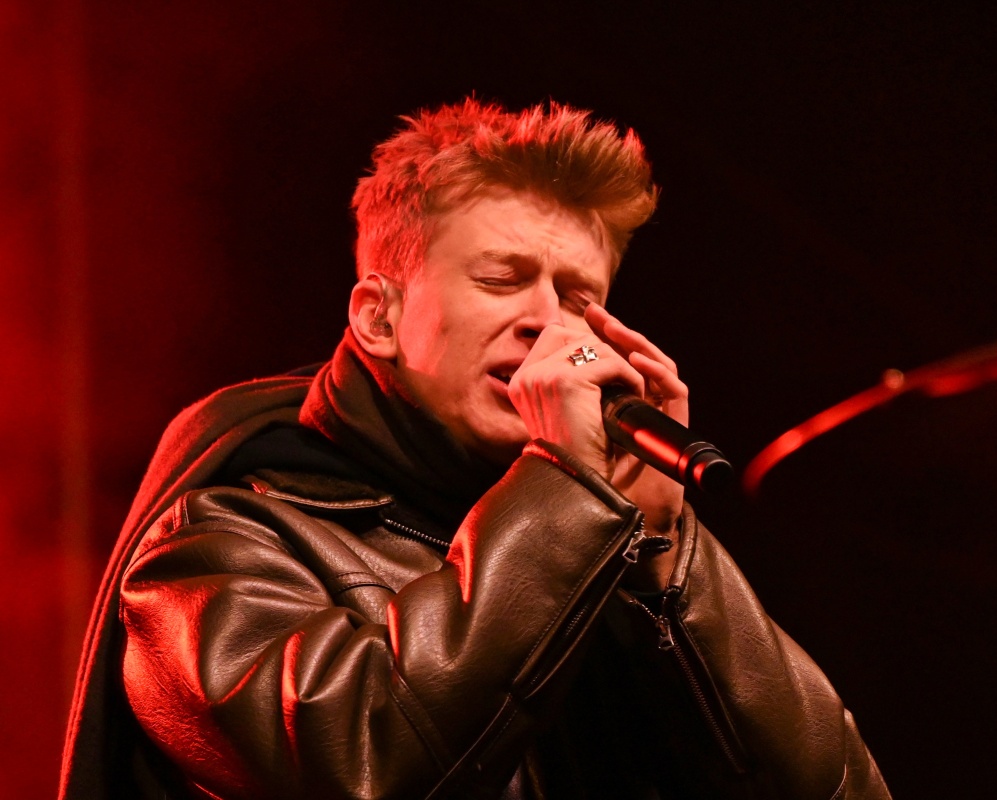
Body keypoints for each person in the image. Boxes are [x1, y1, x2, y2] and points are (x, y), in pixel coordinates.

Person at [59, 98, 890, 799]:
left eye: (579, 297)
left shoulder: (597, 540)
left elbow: (840, 787)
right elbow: (360, 764)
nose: (547, 323)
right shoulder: (217, 546)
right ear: (378, 318)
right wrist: (564, 486)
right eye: (501, 278)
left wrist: (663, 560)